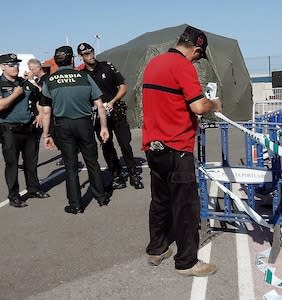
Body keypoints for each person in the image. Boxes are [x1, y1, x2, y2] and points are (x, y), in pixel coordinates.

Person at [142, 26, 221, 276]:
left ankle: (157, 248)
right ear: (196, 49)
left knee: (160, 201)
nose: (196, 60)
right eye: (198, 56)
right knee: (186, 206)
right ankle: (187, 261)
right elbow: (198, 106)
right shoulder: (183, 66)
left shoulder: (154, 63)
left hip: (153, 145)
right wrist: (214, 103)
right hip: (177, 146)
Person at [41, 46, 111, 214]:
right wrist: (103, 127)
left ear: (56, 61)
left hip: (63, 126)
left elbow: (45, 111)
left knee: (71, 166)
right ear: (72, 59)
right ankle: (101, 197)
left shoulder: (49, 81)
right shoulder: (84, 77)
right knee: (92, 162)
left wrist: (46, 135)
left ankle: (76, 204)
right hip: (84, 124)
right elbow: (100, 105)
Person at [77, 42, 144, 190]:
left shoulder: (107, 66)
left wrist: (113, 101)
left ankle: (133, 174)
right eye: (87, 54)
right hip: (99, 117)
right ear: (81, 57)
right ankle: (116, 175)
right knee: (107, 147)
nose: (91, 56)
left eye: (92, 52)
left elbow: (123, 87)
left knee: (125, 144)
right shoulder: (82, 75)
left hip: (116, 112)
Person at [0, 53, 50, 208]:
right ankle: (14, 195)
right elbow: (1, 106)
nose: (14, 67)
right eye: (10, 64)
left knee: (31, 162)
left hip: (28, 128)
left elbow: (38, 99)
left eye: (16, 64)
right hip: (9, 130)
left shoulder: (25, 83)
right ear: (2, 67)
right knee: (12, 164)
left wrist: (40, 113)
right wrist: (15, 94)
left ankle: (34, 189)